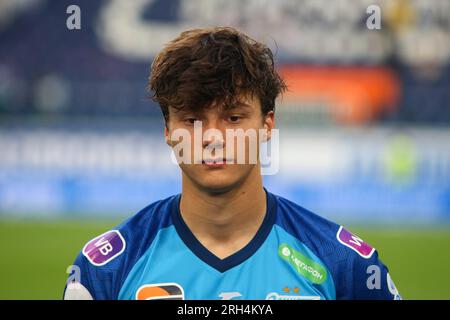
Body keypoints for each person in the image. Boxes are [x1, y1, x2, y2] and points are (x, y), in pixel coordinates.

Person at [64, 27, 401, 300]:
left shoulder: (346, 266)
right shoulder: (106, 270)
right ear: (168, 131)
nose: (213, 136)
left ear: (267, 125)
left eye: (234, 117)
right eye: (192, 119)